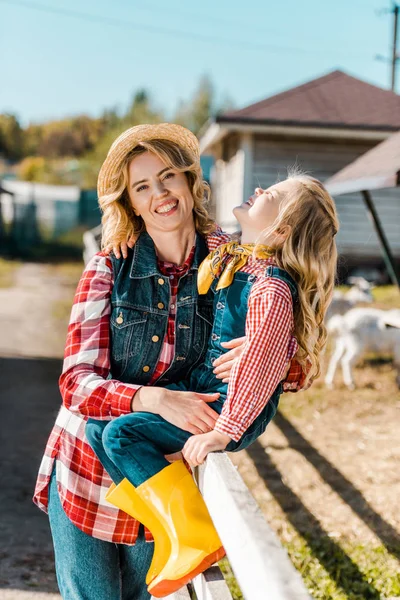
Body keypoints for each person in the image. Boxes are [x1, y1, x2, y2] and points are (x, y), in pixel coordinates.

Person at [33, 123, 305, 600]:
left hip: (155, 471)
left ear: (188, 182)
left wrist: (277, 356)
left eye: (167, 177)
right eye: (142, 186)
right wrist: (152, 398)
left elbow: (283, 339)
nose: (159, 193)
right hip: (87, 470)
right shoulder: (108, 268)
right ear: (131, 203)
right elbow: (75, 383)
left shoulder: (230, 263)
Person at [86, 173, 339, 597]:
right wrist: (128, 229)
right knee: (98, 428)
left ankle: (192, 533)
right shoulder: (238, 257)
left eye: (270, 195)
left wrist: (226, 430)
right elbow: (201, 228)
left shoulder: (270, 289)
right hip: (208, 389)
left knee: (122, 434)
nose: (258, 190)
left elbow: (259, 368)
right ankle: (171, 528)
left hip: (228, 406)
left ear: (281, 230)